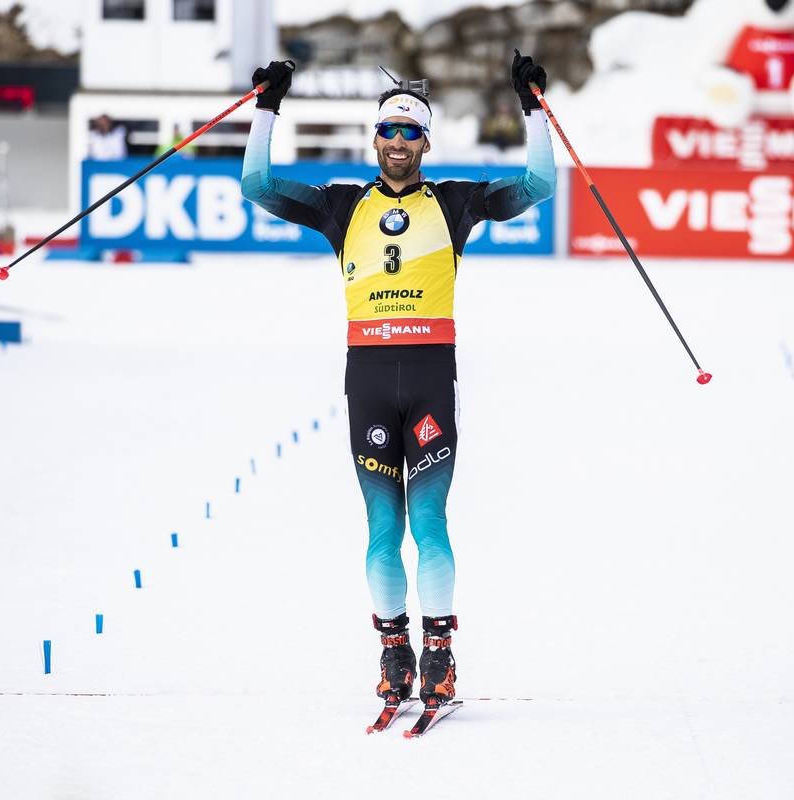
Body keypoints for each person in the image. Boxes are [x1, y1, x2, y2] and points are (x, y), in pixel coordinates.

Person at [241, 53, 555, 717]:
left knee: (429, 523)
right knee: (383, 529)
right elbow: (257, 185)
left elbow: (539, 184)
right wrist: (268, 106)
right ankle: (394, 652)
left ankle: (439, 652)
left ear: (426, 143)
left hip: (432, 378)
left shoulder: (455, 202)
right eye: (389, 130)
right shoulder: (341, 206)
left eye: (411, 132)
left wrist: (532, 108)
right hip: (370, 382)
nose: (399, 142)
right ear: (375, 138)